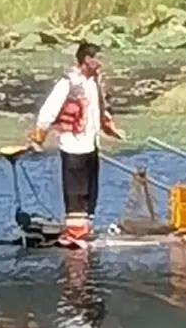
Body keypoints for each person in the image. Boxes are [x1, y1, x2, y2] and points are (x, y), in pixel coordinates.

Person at [25, 38, 117, 239]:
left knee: (91, 192)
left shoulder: (94, 83)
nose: (101, 63)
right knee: (76, 192)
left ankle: (86, 230)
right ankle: (75, 233)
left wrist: (108, 125)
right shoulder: (67, 83)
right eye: (98, 59)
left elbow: (99, 109)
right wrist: (39, 136)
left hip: (91, 145)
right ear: (87, 60)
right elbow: (48, 111)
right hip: (73, 147)